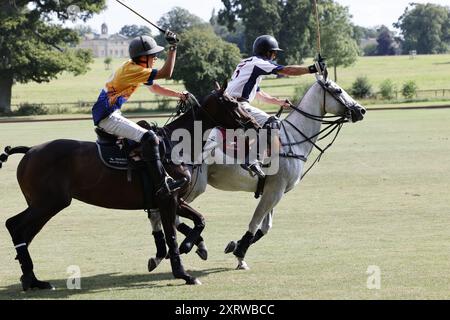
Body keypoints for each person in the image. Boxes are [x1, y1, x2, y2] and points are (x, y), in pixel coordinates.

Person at [92, 33, 187, 196]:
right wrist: (173, 47)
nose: (156, 58)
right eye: (154, 55)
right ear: (143, 57)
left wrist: (179, 95)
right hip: (108, 116)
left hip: (111, 113)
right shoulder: (133, 70)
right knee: (150, 138)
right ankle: (163, 183)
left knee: (147, 132)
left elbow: (156, 88)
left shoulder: (135, 68)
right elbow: (167, 73)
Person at [225, 34, 326, 178]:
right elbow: (287, 70)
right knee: (273, 123)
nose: (274, 57)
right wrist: (313, 68)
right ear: (268, 53)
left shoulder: (247, 63)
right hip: (236, 105)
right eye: (274, 53)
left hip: (227, 102)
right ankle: (253, 159)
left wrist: (279, 102)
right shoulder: (259, 63)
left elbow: (258, 94)